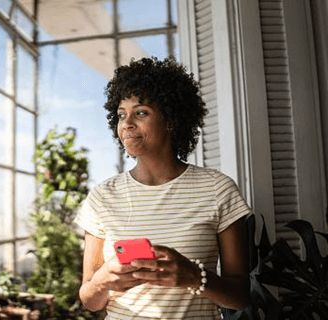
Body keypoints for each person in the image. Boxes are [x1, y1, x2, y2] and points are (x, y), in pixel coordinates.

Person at [74, 57, 251, 319]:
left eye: (141, 112)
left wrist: (194, 277)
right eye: (122, 115)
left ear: (171, 120)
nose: (127, 123)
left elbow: (240, 297)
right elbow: (90, 301)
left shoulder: (218, 189)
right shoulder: (102, 197)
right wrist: (102, 282)